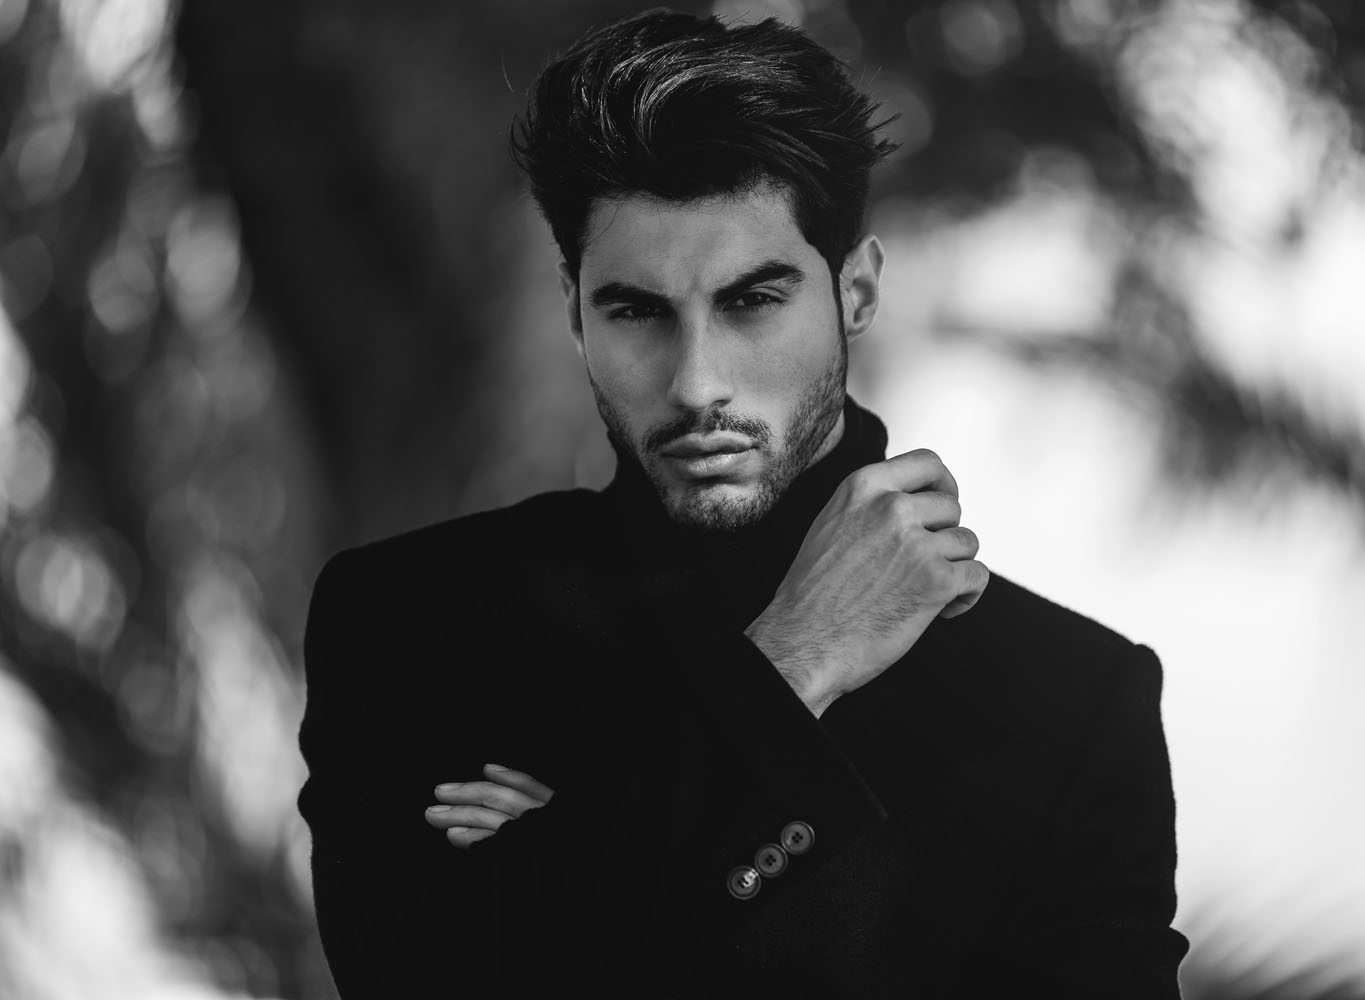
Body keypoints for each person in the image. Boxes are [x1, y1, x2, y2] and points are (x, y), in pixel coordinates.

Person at [296, 8, 1189, 997]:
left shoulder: (1066, 699)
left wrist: (573, 843)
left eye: (752, 301)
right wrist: (793, 665)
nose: (695, 385)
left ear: (856, 292)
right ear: (574, 310)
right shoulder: (414, 619)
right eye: (636, 311)